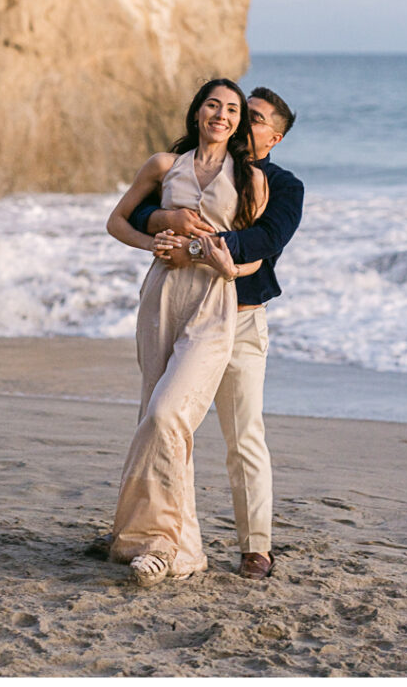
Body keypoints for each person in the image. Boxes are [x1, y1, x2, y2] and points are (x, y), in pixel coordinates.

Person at [129, 87, 303, 581]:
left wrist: (196, 250)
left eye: (255, 118)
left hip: (242, 317)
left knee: (242, 434)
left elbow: (263, 240)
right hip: (187, 313)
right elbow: (147, 207)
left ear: (275, 137)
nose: (241, 122)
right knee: (166, 423)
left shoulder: (283, 186)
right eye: (237, 112)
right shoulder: (198, 162)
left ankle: (256, 547)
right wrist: (165, 221)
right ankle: (162, 536)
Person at [105, 79, 269, 587]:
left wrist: (221, 264)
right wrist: (151, 239)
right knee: (156, 420)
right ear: (197, 112)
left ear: (239, 122)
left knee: (168, 414)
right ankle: (173, 546)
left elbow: (257, 254)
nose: (221, 115)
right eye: (212, 105)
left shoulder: (253, 180)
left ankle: (161, 542)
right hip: (161, 298)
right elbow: (116, 222)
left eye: (232, 110)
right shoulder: (163, 166)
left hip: (212, 304)